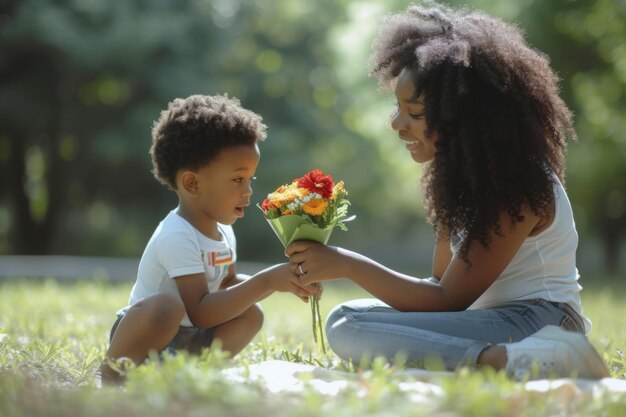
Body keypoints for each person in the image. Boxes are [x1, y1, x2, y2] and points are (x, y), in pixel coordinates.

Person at [286, 2, 610, 380]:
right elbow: (439, 288)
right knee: (351, 318)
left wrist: (347, 264)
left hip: (540, 321)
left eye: (416, 112)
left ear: (465, 117)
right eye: (398, 107)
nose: (396, 123)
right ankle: (496, 356)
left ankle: (517, 360)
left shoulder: (514, 185)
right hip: (491, 320)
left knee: (349, 325)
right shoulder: (458, 181)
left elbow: (449, 301)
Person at [97, 94, 318, 385]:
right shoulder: (177, 235)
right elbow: (201, 312)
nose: (249, 191)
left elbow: (226, 288)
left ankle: (187, 373)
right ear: (193, 183)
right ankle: (112, 373)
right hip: (145, 331)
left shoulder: (224, 230)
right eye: (239, 180)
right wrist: (266, 281)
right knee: (167, 307)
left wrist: (281, 281)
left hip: (189, 338)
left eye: (251, 179)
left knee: (251, 314)